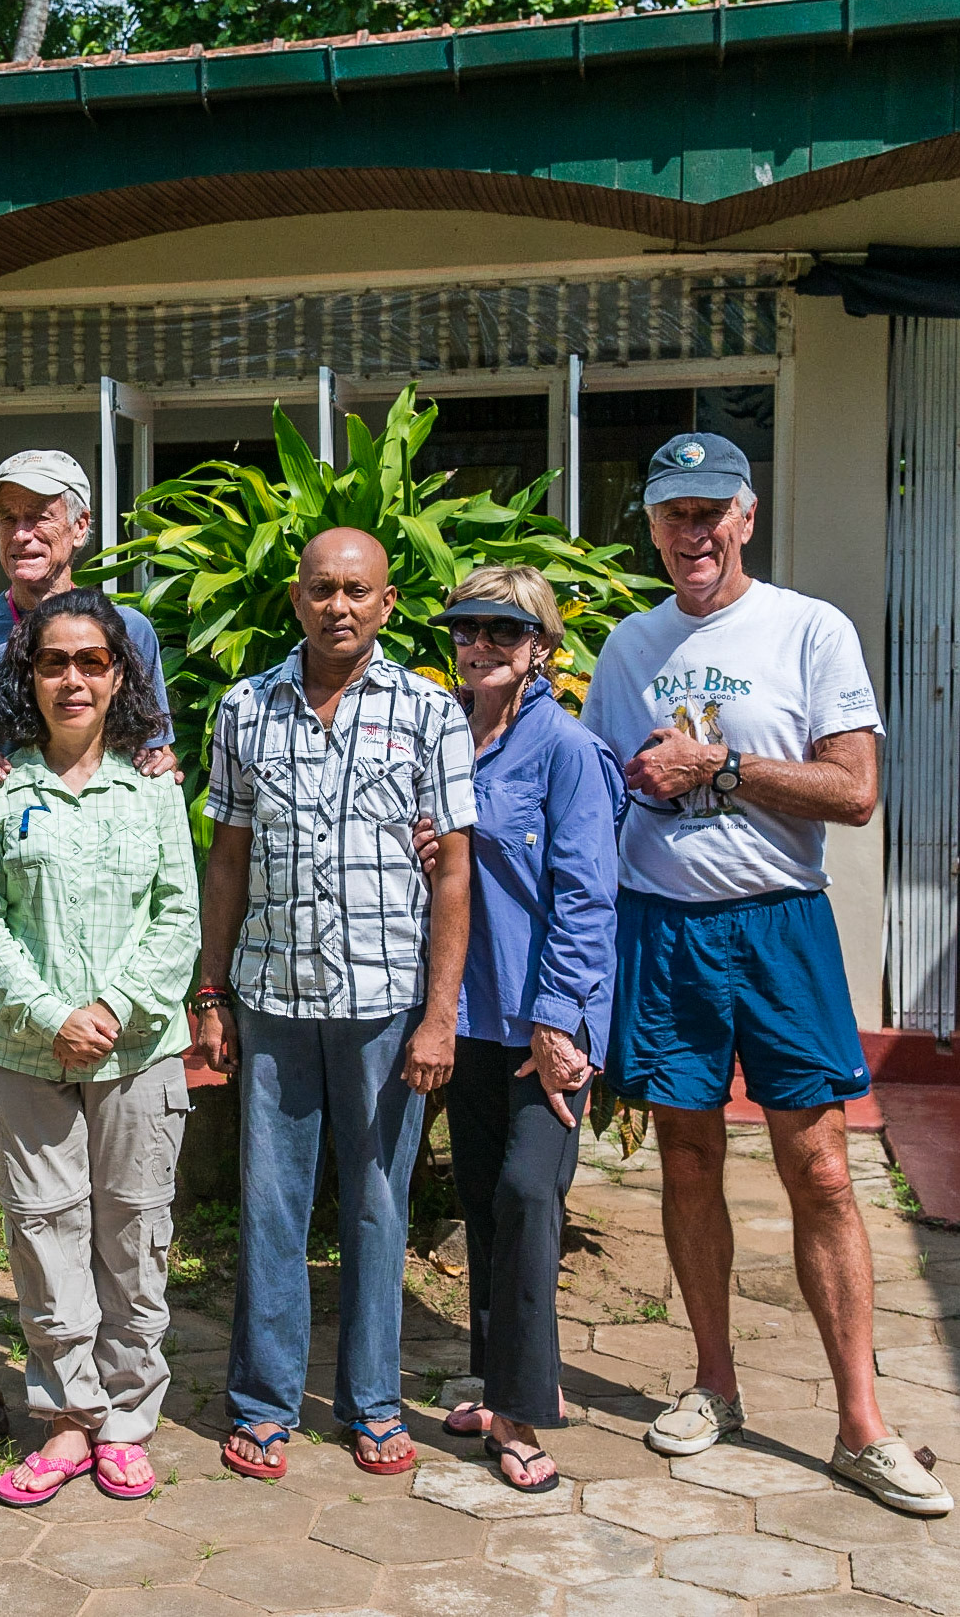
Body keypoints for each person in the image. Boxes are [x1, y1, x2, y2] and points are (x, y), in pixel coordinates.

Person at [580, 431, 952, 1517]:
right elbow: (597, 799)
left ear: (746, 516)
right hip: (665, 930)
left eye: (710, 513)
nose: (691, 533)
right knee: (687, 1157)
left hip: (781, 927)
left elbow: (855, 791)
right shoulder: (627, 645)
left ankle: (861, 1423)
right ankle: (715, 1383)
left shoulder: (808, 627)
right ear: (650, 527)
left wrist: (723, 764)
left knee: (823, 1169)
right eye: (671, 515)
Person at [0, 450, 176, 1445]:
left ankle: (91, 1366)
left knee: (108, 1147)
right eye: (7, 515)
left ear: (81, 525)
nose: (23, 531)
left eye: (42, 513)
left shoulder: (127, 633)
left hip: (99, 924)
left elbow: (155, 765)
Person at [196, 526, 475, 1481]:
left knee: (376, 1204)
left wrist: (440, 1015)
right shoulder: (245, 710)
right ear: (297, 599)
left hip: (386, 1005)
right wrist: (211, 987)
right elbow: (226, 858)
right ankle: (265, 1402)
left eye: (358, 590)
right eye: (322, 590)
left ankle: (372, 1403)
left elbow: (454, 877)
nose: (339, 606)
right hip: (273, 999)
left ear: (387, 604)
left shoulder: (430, 713)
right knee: (272, 1206)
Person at [0, 587, 199, 1507]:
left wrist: (116, 1002)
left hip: (138, 1051)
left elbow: (178, 914)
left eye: (90, 662)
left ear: (119, 674)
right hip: (24, 1052)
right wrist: (54, 1012)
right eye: (52, 661)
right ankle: (68, 1418)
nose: (71, 678)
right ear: (30, 674)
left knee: (134, 1232)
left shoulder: (155, 785)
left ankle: (130, 1418)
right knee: (46, 1234)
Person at [421, 566, 623, 1494]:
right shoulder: (440, 739)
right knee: (483, 1200)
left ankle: (520, 1411)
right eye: (468, 630)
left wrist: (558, 1020)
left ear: (541, 647)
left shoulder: (566, 750)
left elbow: (586, 898)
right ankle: (501, 1385)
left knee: (529, 1195)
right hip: (464, 1014)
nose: (482, 646)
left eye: (505, 632)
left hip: (545, 1023)